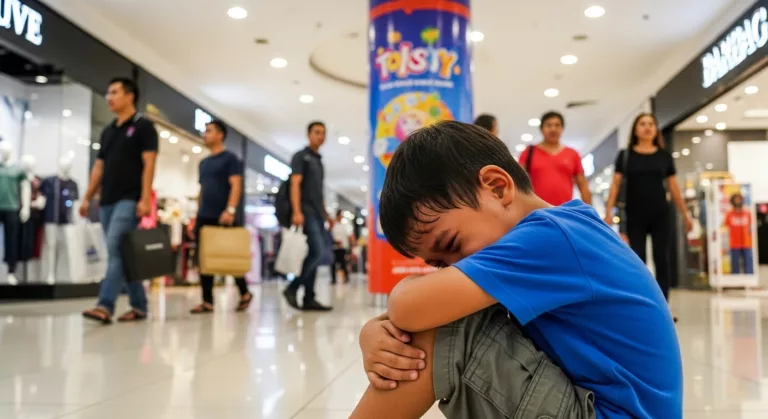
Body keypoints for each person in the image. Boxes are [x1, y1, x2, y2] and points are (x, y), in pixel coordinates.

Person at [352, 121, 682, 418]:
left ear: (497, 187)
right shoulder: (565, 227)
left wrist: (394, 313)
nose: (455, 268)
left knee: (442, 328)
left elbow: (409, 307)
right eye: (441, 265)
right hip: (597, 404)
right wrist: (375, 332)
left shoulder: (549, 239)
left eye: (452, 245)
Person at [81, 78, 158, 324]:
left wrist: (145, 198)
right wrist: (87, 197)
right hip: (107, 200)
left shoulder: (144, 127)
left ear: (130, 96)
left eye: (114, 92)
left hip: (130, 198)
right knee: (124, 253)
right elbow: (99, 167)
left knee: (115, 248)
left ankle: (105, 305)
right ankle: (139, 306)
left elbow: (149, 164)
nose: (109, 97)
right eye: (107, 92)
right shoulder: (108, 131)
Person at [604, 113, 691, 301]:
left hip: (661, 214)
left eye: (651, 124)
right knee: (637, 260)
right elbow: (616, 185)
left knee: (662, 259)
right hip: (634, 214)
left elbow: (674, 187)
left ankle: (663, 304)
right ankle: (641, 301)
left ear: (656, 129)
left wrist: (685, 215)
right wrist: (608, 212)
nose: (647, 127)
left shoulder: (664, 156)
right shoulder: (626, 155)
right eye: (642, 124)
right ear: (635, 129)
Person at [189, 120, 252, 314]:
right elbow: (202, 190)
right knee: (204, 258)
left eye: (209, 131)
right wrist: (196, 214)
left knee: (229, 255)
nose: (205, 134)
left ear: (220, 135)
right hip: (204, 215)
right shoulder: (204, 163)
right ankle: (207, 301)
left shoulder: (231, 159)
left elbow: (236, 185)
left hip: (224, 215)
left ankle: (244, 292)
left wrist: (230, 209)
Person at [282, 121, 335, 311]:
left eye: (323, 133)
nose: (320, 136)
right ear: (308, 134)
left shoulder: (318, 160)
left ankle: (309, 298)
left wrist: (326, 214)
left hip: (317, 213)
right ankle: (293, 287)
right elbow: (295, 184)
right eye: (317, 132)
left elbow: (317, 192)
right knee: (318, 252)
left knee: (314, 253)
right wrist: (297, 211)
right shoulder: (301, 156)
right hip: (306, 211)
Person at [518, 111, 592, 206]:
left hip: (564, 212)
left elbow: (583, 185)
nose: (553, 129)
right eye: (549, 125)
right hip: (535, 211)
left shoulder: (572, 154)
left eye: (557, 125)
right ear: (541, 129)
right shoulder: (528, 152)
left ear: (562, 129)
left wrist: (590, 214)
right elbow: (518, 184)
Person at [724, 193, 754, 274]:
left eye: (739, 199)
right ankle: (735, 280)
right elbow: (725, 226)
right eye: (736, 199)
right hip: (734, 243)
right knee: (735, 264)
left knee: (748, 264)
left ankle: (749, 280)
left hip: (747, 243)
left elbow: (752, 227)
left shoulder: (747, 213)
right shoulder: (729, 214)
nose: (738, 201)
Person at [330, 210, 355, 284]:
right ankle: (333, 279)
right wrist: (335, 241)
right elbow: (330, 236)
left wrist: (352, 246)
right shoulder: (333, 225)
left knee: (343, 263)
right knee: (333, 264)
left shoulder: (345, 226)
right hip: (334, 248)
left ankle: (346, 278)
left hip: (343, 248)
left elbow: (349, 236)